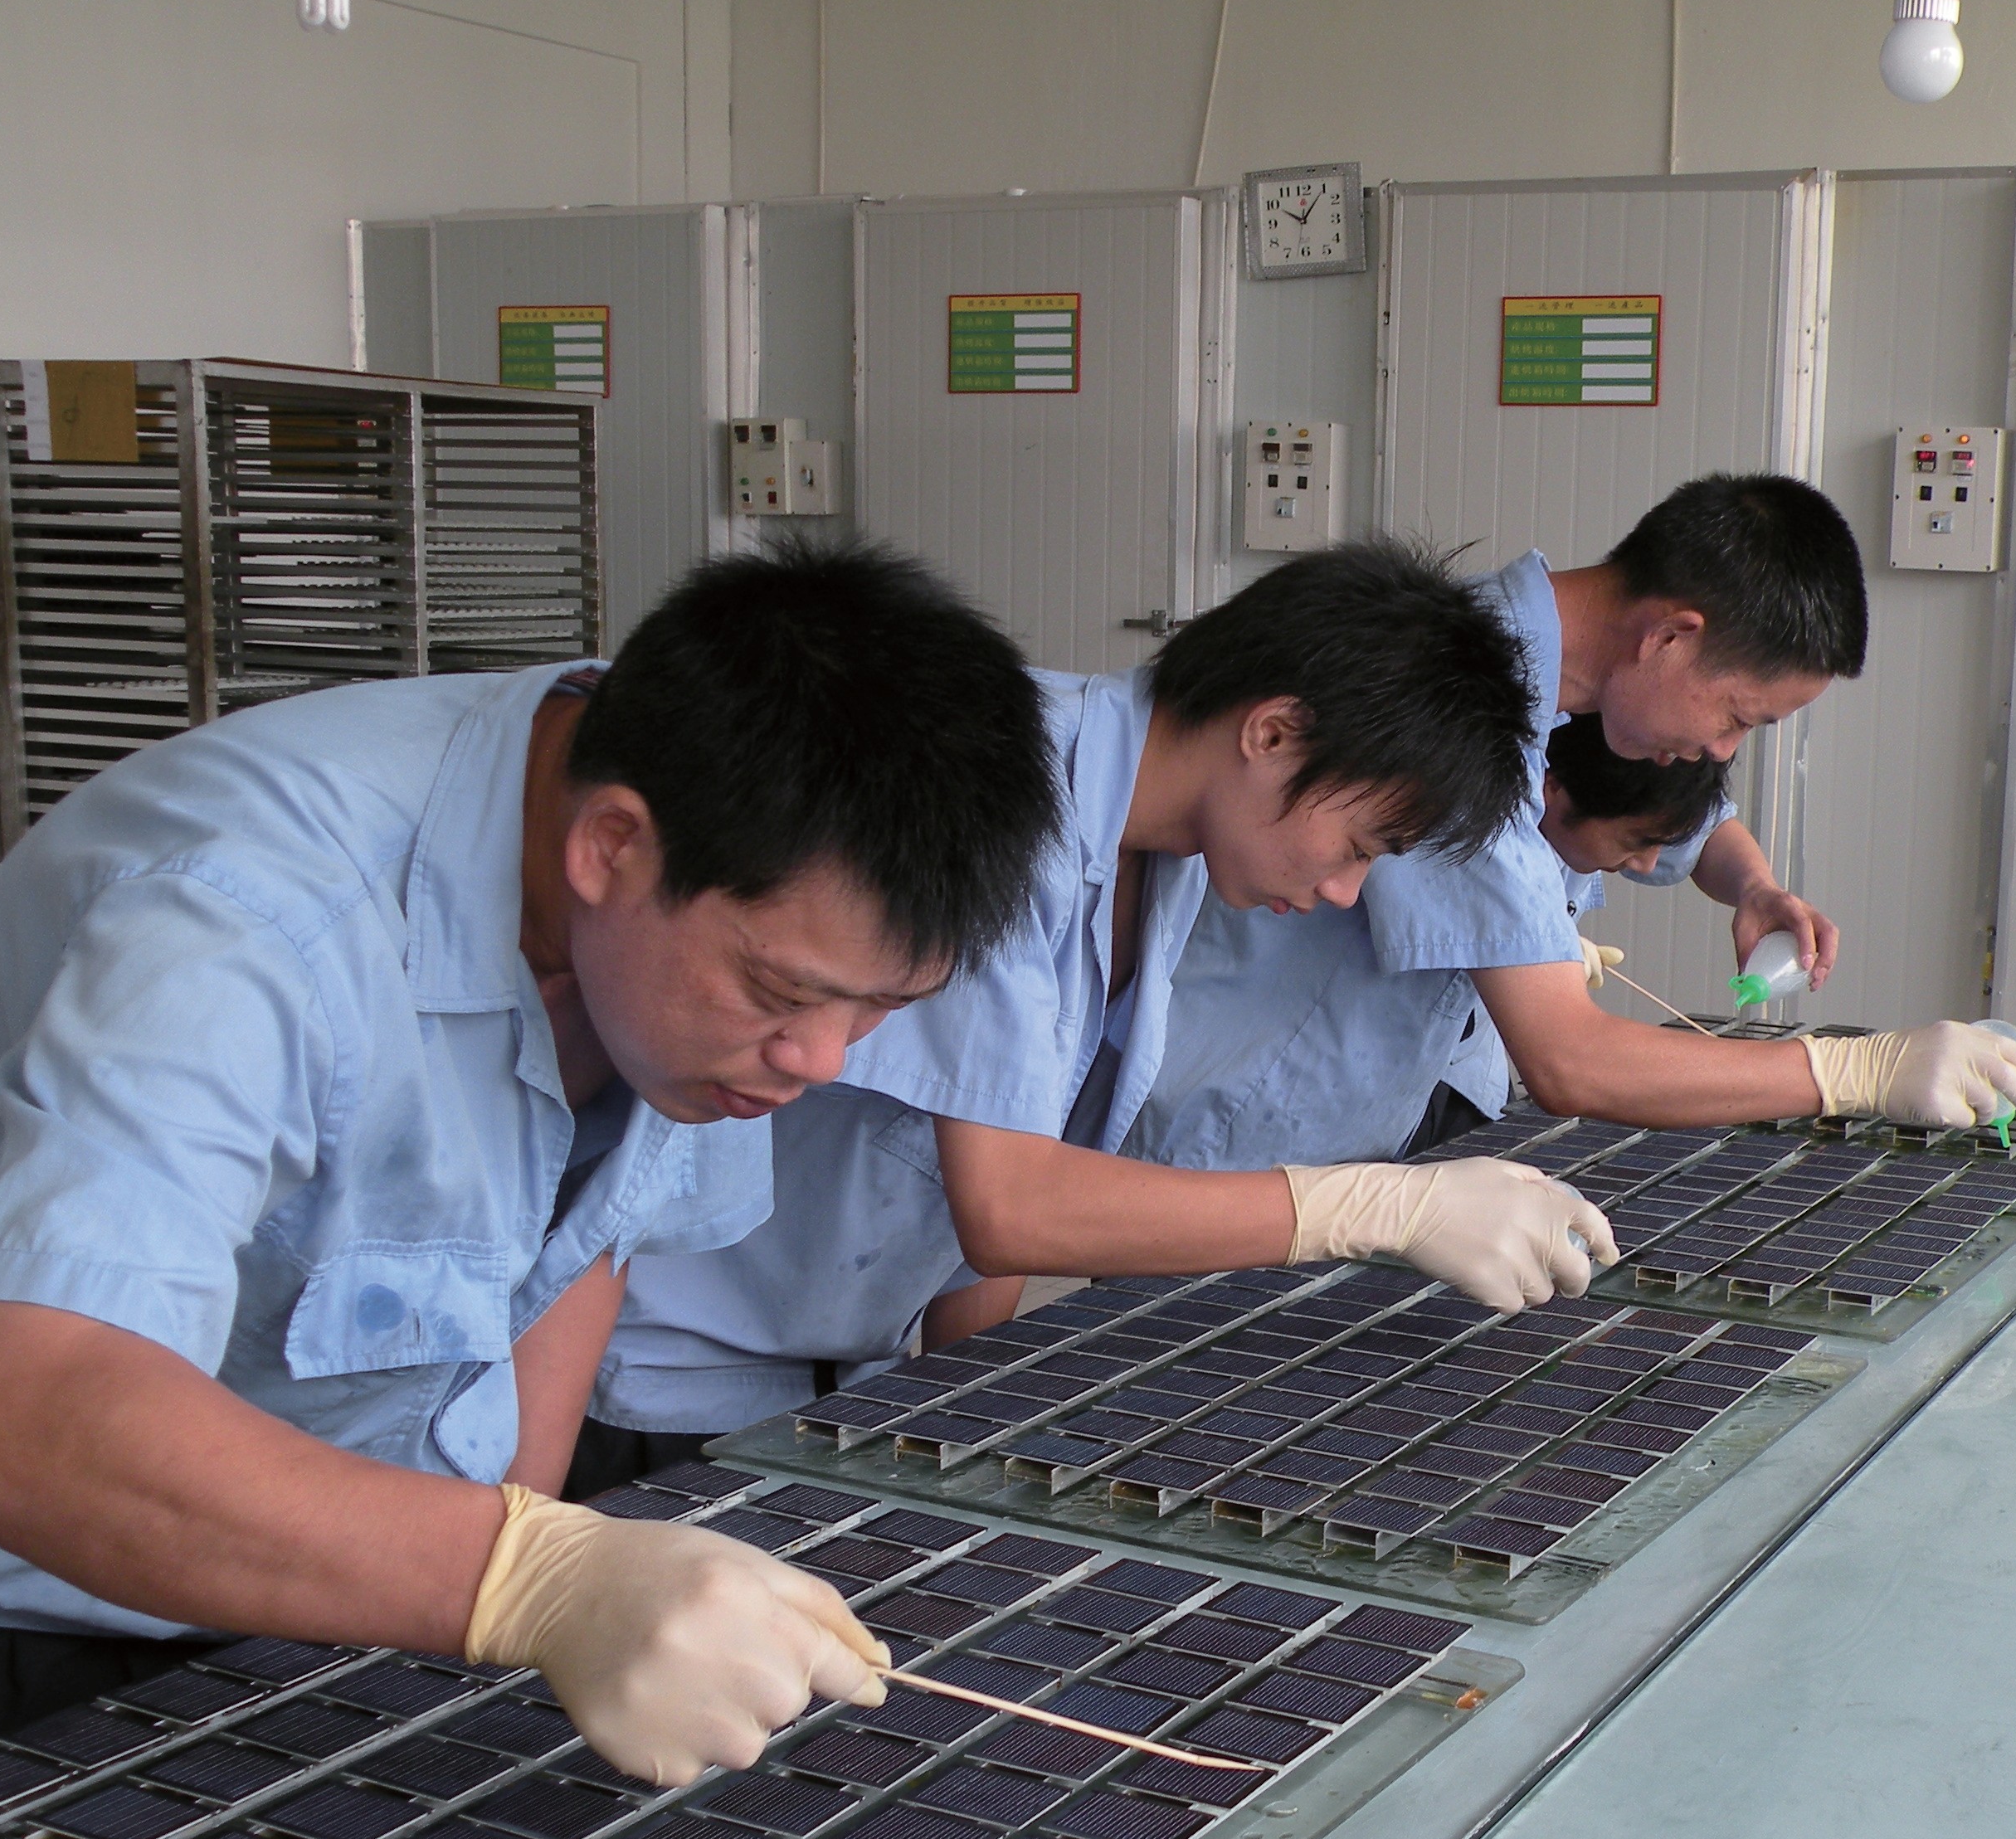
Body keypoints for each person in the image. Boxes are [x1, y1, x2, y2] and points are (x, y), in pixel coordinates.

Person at [0, 538, 1065, 1781]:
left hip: (335, 1610)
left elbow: (580, 1249)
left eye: (878, 1009)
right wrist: (523, 1578)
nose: (818, 1061)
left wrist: (535, 1543)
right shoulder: (243, 918)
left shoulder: (676, 938)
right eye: (785, 992)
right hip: (5, 1641)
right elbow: (17, 1425)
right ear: (612, 847)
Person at [572, 540, 1617, 1491]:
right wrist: (1377, 1207)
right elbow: (1011, 1205)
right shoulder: (999, 793)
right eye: (1358, 847)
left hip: (830, 1374)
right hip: (669, 1384)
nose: (1345, 892)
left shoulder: (1154, 860)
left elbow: (983, 1191)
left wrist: (961, 1410)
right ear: (1273, 731)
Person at [1125, 473, 2016, 1178]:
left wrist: (1753, 884)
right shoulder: (1456, 705)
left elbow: (1696, 825)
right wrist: (1854, 1073)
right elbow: (1569, 1059)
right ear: (1668, 637)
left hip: (1362, 1122)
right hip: (1241, 1134)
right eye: (1736, 717)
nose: (1718, 749)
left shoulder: (1564, 691)